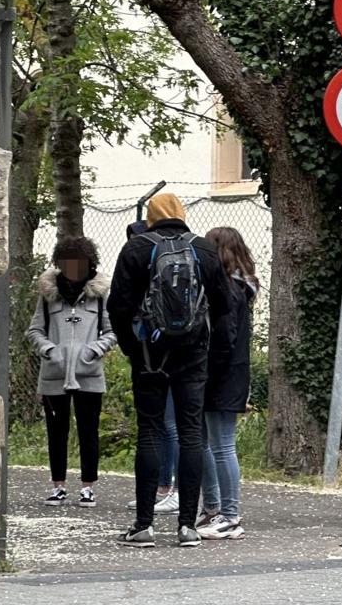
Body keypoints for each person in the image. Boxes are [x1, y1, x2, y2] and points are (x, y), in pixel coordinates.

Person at [109, 193, 231, 547]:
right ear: (181, 214)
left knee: (150, 432)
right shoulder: (204, 248)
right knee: (192, 433)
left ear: (151, 216)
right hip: (193, 354)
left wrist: (132, 348)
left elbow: (118, 306)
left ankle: (144, 525)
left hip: (149, 354)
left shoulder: (137, 248)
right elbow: (224, 304)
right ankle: (188, 527)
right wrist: (207, 347)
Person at [26, 236, 116, 508]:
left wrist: (93, 350)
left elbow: (112, 332)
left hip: (89, 374)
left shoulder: (100, 296)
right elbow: (34, 331)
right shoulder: (47, 295)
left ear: (90, 263)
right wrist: (50, 350)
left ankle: (88, 487)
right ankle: (58, 486)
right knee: (57, 431)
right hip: (54, 374)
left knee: (89, 432)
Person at [197, 227, 258, 540]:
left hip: (221, 373)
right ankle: (214, 509)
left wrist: (206, 370)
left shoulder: (228, 289)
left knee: (220, 445)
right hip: (228, 371)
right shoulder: (239, 287)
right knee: (209, 443)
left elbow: (224, 336)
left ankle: (229, 514)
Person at [124, 219, 181, 517]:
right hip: (159, 351)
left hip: (156, 352)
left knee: (166, 427)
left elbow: (121, 308)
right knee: (158, 427)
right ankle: (158, 490)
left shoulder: (159, 266)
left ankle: (165, 491)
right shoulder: (174, 259)